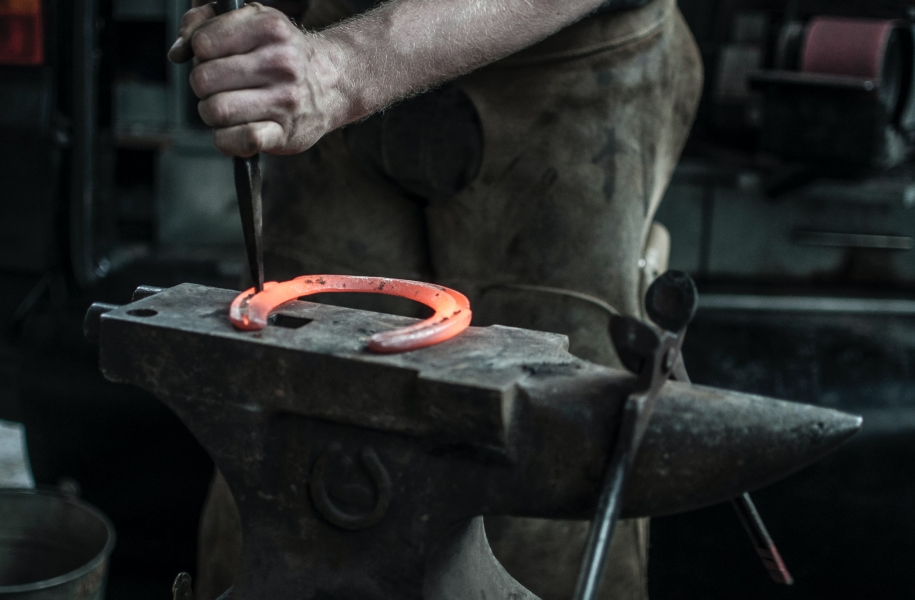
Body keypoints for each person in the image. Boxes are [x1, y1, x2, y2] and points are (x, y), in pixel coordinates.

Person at [169, 0, 702, 598]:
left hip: (563, 63)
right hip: (322, 35)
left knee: (550, 469)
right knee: (289, 446)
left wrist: (343, 70)